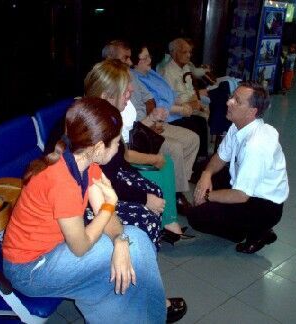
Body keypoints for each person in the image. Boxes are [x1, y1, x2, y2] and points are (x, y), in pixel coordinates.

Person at [2, 98, 167, 323]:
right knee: (135, 250)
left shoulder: (86, 164)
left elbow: (106, 218)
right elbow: (80, 246)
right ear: (98, 147)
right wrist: (110, 206)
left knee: (133, 244)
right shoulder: (62, 182)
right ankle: (155, 316)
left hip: (52, 251)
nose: (119, 148)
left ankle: (148, 315)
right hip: (29, 270)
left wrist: (119, 240)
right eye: (117, 142)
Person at [84, 60, 188, 323]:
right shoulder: (92, 126)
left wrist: (148, 193)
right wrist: (143, 200)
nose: (131, 91)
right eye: (126, 89)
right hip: (89, 200)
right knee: (147, 218)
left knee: (155, 189)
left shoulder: (108, 115)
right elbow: (100, 182)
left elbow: (119, 161)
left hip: (110, 178)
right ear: (107, 95)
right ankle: (145, 292)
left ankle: (142, 270)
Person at [187, 81, 289, 254]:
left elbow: (241, 196)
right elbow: (220, 157)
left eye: (237, 101)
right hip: (244, 188)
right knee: (201, 171)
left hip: (263, 205)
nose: (229, 102)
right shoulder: (238, 126)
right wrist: (206, 175)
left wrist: (206, 195)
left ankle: (254, 231)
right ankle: (237, 224)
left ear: (252, 112)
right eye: (232, 97)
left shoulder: (256, 146)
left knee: (196, 217)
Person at [102, 40, 196, 214]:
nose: (130, 63)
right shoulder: (109, 105)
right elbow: (123, 152)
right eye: (126, 58)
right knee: (169, 154)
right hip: (127, 149)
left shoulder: (126, 81)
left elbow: (149, 100)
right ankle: (172, 208)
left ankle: (174, 201)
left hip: (139, 132)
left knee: (190, 140)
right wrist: (153, 155)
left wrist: (152, 118)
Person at [157, 38, 210, 159]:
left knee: (202, 120)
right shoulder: (166, 72)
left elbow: (190, 89)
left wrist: (197, 102)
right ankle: (197, 159)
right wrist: (192, 104)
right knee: (196, 124)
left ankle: (201, 158)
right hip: (177, 111)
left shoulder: (186, 67)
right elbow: (170, 99)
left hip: (191, 104)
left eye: (190, 52)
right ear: (174, 53)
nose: (188, 55)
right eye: (184, 52)